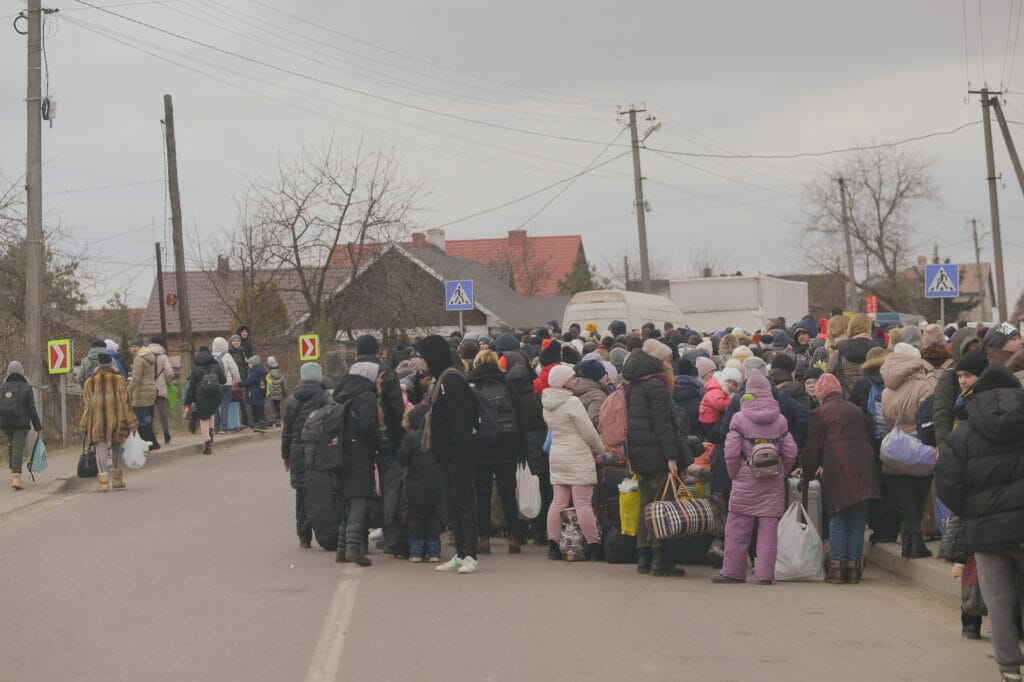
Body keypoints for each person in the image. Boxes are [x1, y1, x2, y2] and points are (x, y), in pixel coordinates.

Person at [936, 365, 1024, 682]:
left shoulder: (964, 433)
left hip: (986, 532)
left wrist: (972, 511)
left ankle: (1009, 669)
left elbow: (947, 483)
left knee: (998, 602)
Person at [714, 371, 798, 584]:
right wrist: (782, 470)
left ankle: (733, 572)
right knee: (769, 530)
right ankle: (765, 575)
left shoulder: (739, 418)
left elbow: (731, 451)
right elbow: (790, 451)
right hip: (772, 482)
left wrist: (734, 473)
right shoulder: (780, 420)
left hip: (744, 479)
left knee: (737, 528)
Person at [801, 373, 880, 584]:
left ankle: (836, 569)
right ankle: (852, 569)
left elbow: (813, 448)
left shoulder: (820, 413)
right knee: (857, 520)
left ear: (821, 394)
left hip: (838, 470)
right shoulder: (857, 411)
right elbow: (869, 439)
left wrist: (807, 473)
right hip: (864, 469)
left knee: (838, 517)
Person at [623, 339, 690, 577]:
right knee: (662, 505)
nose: (669, 365)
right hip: (657, 453)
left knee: (646, 503)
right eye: (667, 360)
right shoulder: (657, 385)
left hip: (638, 452)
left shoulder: (634, 384)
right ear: (658, 361)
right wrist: (671, 457)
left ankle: (643, 556)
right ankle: (660, 558)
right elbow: (663, 425)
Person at [415, 335, 480, 574]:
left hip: (457, 456)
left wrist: (460, 456)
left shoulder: (451, 380)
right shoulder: (441, 378)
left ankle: (470, 554)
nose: (420, 361)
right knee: (452, 506)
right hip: (445, 455)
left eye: (423, 356)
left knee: (463, 504)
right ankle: (461, 553)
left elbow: (461, 422)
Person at [880, 342, 938, 559]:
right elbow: (927, 416)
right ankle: (915, 542)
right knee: (920, 492)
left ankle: (908, 542)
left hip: (897, 444)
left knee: (905, 493)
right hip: (920, 443)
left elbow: (886, 418)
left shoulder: (887, 388)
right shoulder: (924, 386)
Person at [467, 350, 527, 554]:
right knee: (508, 493)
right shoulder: (507, 384)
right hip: (507, 445)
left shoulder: (471, 385)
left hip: (480, 446)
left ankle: (483, 539)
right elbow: (519, 418)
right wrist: (522, 450)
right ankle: (514, 538)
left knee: (482, 494)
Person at [543, 364, 605, 561]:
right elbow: (588, 431)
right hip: (577, 455)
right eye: (571, 378)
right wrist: (600, 450)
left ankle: (553, 545)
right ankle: (594, 545)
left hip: (557, 454)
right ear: (563, 381)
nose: (575, 380)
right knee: (583, 503)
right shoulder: (572, 402)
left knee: (558, 502)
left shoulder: (547, 403)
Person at [332, 361, 382, 567]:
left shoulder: (346, 394)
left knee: (348, 501)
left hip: (343, 453)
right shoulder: (366, 396)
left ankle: (342, 549)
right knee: (359, 500)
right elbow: (368, 425)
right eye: (378, 377)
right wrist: (380, 442)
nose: (379, 381)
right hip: (359, 454)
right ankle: (353, 548)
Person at [281, 362, 331, 549]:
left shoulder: (292, 400)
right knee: (322, 491)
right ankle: (325, 532)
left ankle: (304, 537)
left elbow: (287, 431)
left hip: (297, 452)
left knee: (301, 493)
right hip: (319, 450)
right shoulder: (326, 398)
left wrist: (286, 455)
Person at [80, 353, 138, 492]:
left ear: (98, 365)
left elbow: (87, 406)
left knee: (100, 448)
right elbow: (125, 403)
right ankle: (117, 479)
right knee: (117, 447)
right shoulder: (119, 379)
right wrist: (131, 422)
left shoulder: (89, 382)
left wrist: (84, 424)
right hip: (117, 419)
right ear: (111, 364)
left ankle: (103, 482)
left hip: (97, 421)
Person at [397, 403, 444, 562]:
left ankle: (416, 552)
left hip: (415, 485)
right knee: (433, 519)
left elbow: (402, 457)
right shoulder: (439, 436)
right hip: (436, 485)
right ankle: (434, 552)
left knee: (416, 519)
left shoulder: (411, 438)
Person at [0, 361, 42, 490]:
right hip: (21, 423)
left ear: (8, 373)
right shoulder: (26, 388)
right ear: (21, 372)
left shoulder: (2, 388)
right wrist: (37, 426)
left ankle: (12, 471)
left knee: (13, 445)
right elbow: (31, 409)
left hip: (5, 423)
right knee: (18, 447)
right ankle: (16, 476)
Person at [183, 345, 226, 455]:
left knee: (203, 419)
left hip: (201, 397)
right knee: (211, 412)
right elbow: (223, 380)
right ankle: (211, 431)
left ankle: (207, 444)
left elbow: (191, 386)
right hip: (216, 395)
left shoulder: (195, 368)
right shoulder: (216, 365)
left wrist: (188, 402)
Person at [127, 338, 160, 452]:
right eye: (132, 346)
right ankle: (153, 443)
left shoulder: (139, 359)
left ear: (140, 347)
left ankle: (145, 445)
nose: (133, 348)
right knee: (147, 419)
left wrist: (128, 390)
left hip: (141, 392)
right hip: (150, 390)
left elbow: (136, 379)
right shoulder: (149, 356)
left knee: (140, 421)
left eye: (136, 346)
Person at [699, 367, 741, 439]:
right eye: (729, 381)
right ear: (723, 380)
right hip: (710, 422)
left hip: (712, 419)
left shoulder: (722, 390)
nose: (731, 385)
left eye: (734, 384)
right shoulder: (715, 389)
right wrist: (733, 401)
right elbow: (719, 404)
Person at [149, 336, 176, 445]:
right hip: (160, 388)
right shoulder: (163, 357)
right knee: (163, 413)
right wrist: (165, 378)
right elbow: (169, 372)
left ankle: (150, 436)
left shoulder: (145, 355)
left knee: (149, 414)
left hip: (148, 388)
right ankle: (166, 434)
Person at [211, 337, 241, 434]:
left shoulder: (211, 356)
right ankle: (224, 428)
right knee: (225, 405)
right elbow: (234, 369)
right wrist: (237, 380)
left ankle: (215, 428)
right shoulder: (227, 355)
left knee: (215, 406)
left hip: (214, 384)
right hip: (226, 383)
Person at [242, 355, 269, 431]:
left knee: (255, 409)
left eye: (249, 363)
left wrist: (238, 383)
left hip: (255, 394)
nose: (248, 365)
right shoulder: (261, 370)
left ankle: (257, 425)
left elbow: (248, 382)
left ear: (253, 364)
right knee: (260, 409)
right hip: (261, 393)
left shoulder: (255, 372)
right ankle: (263, 425)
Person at [266, 356, 287, 427]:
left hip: (271, 394)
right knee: (277, 407)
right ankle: (278, 420)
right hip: (279, 394)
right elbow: (284, 385)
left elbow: (268, 384)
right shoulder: (281, 375)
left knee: (272, 407)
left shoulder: (268, 375)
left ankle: (273, 420)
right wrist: (285, 394)